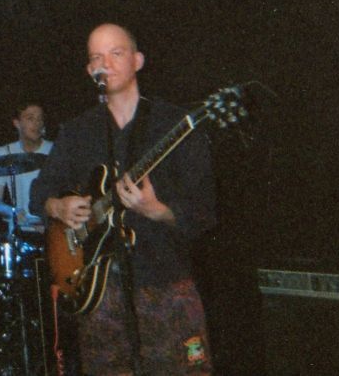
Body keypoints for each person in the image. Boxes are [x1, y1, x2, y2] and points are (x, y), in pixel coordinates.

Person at [30, 23, 216, 376]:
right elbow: (40, 193)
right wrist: (58, 207)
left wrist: (158, 211)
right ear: (89, 70)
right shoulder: (78, 131)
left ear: (138, 60)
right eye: (96, 57)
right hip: (101, 293)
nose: (106, 64)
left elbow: (205, 213)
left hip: (163, 281)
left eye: (116, 53)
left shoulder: (174, 123)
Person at [0, 101, 53, 232]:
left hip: (52, 232)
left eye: (40, 118)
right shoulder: (2, 154)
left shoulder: (55, 151)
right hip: (20, 234)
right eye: (30, 118)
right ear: (17, 123)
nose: (37, 123)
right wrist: (12, 211)